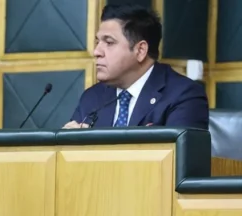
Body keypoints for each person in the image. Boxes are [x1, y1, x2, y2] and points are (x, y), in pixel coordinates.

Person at [64, 4, 209, 130]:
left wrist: (94, 147)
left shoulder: (183, 96)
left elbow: (180, 153)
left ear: (140, 50)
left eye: (109, 42)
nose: (97, 52)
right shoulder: (92, 98)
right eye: (98, 42)